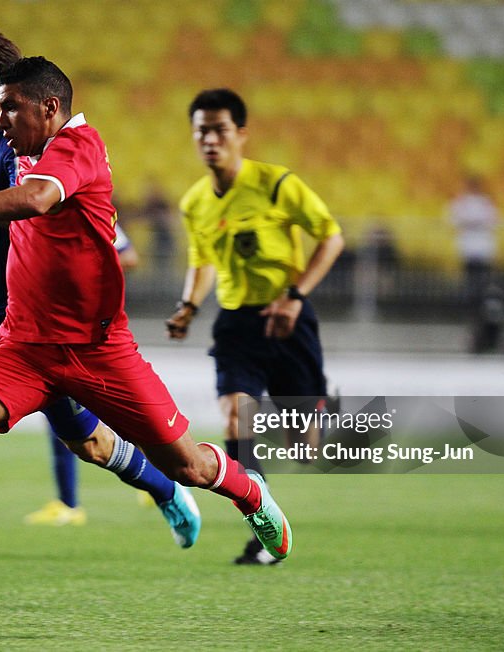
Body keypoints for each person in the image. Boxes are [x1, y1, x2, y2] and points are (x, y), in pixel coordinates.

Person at [0, 56, 292, 614]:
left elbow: (36, 199)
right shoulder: (22, 152)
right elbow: (20, 200)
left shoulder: (78, 145)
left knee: (188, 467)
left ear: (49, 108)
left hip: (97, 352)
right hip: (25, 348)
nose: (0, 117)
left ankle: (249, 491)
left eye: (10, 106)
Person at [0, 29, 199, 586]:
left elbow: (47, 209)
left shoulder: (31, 149)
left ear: (7, 95)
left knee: (91, 444)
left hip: (40, 332)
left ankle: (167, 489)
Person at [165, 88, 343, 565]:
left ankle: (315, 411)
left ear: (241, 134)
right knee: (234, 418)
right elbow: (202, 261)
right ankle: (261, 521)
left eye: (219, 129)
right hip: (237, 325)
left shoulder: (277, 184)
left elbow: (331, 237)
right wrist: (188, 305)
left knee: (304, 449)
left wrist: (296, 295)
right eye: (201, 130)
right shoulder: (195, 202)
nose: (210, 139)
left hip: (288, 320)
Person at [24, 221, 140, 527]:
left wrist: (88, 267)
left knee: (121, 414)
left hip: (94, 335)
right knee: (62, 419)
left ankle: (163, 481)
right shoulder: (50, 220)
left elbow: (130, 257)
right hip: (63, 334)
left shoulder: (98, 218)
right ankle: (68, 502)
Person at [448, 176, 501, 353]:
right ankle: (473, 320)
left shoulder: (486, 202)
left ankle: (481, 323)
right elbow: (453, 219)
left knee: (482, 289)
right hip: (468, 252)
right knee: (471, 289)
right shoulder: (462, 202)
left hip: (483, 252)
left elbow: (495, 220)